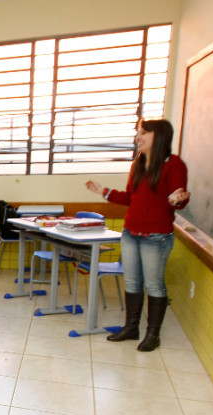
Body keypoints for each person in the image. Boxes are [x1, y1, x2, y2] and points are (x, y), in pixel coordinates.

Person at [84, 118, 189, 352]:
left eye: (143, 133)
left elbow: (177, 199)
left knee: (154, 285)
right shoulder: (138, 164)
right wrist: (103, 191)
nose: (137, 137)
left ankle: (153, 335)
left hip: (157, 236)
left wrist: (177, 200)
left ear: (159, 136)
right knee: (132, 282)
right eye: (137, 133)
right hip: (131, 232)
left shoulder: (174, 165)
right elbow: (131, 197)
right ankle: (131, 328)